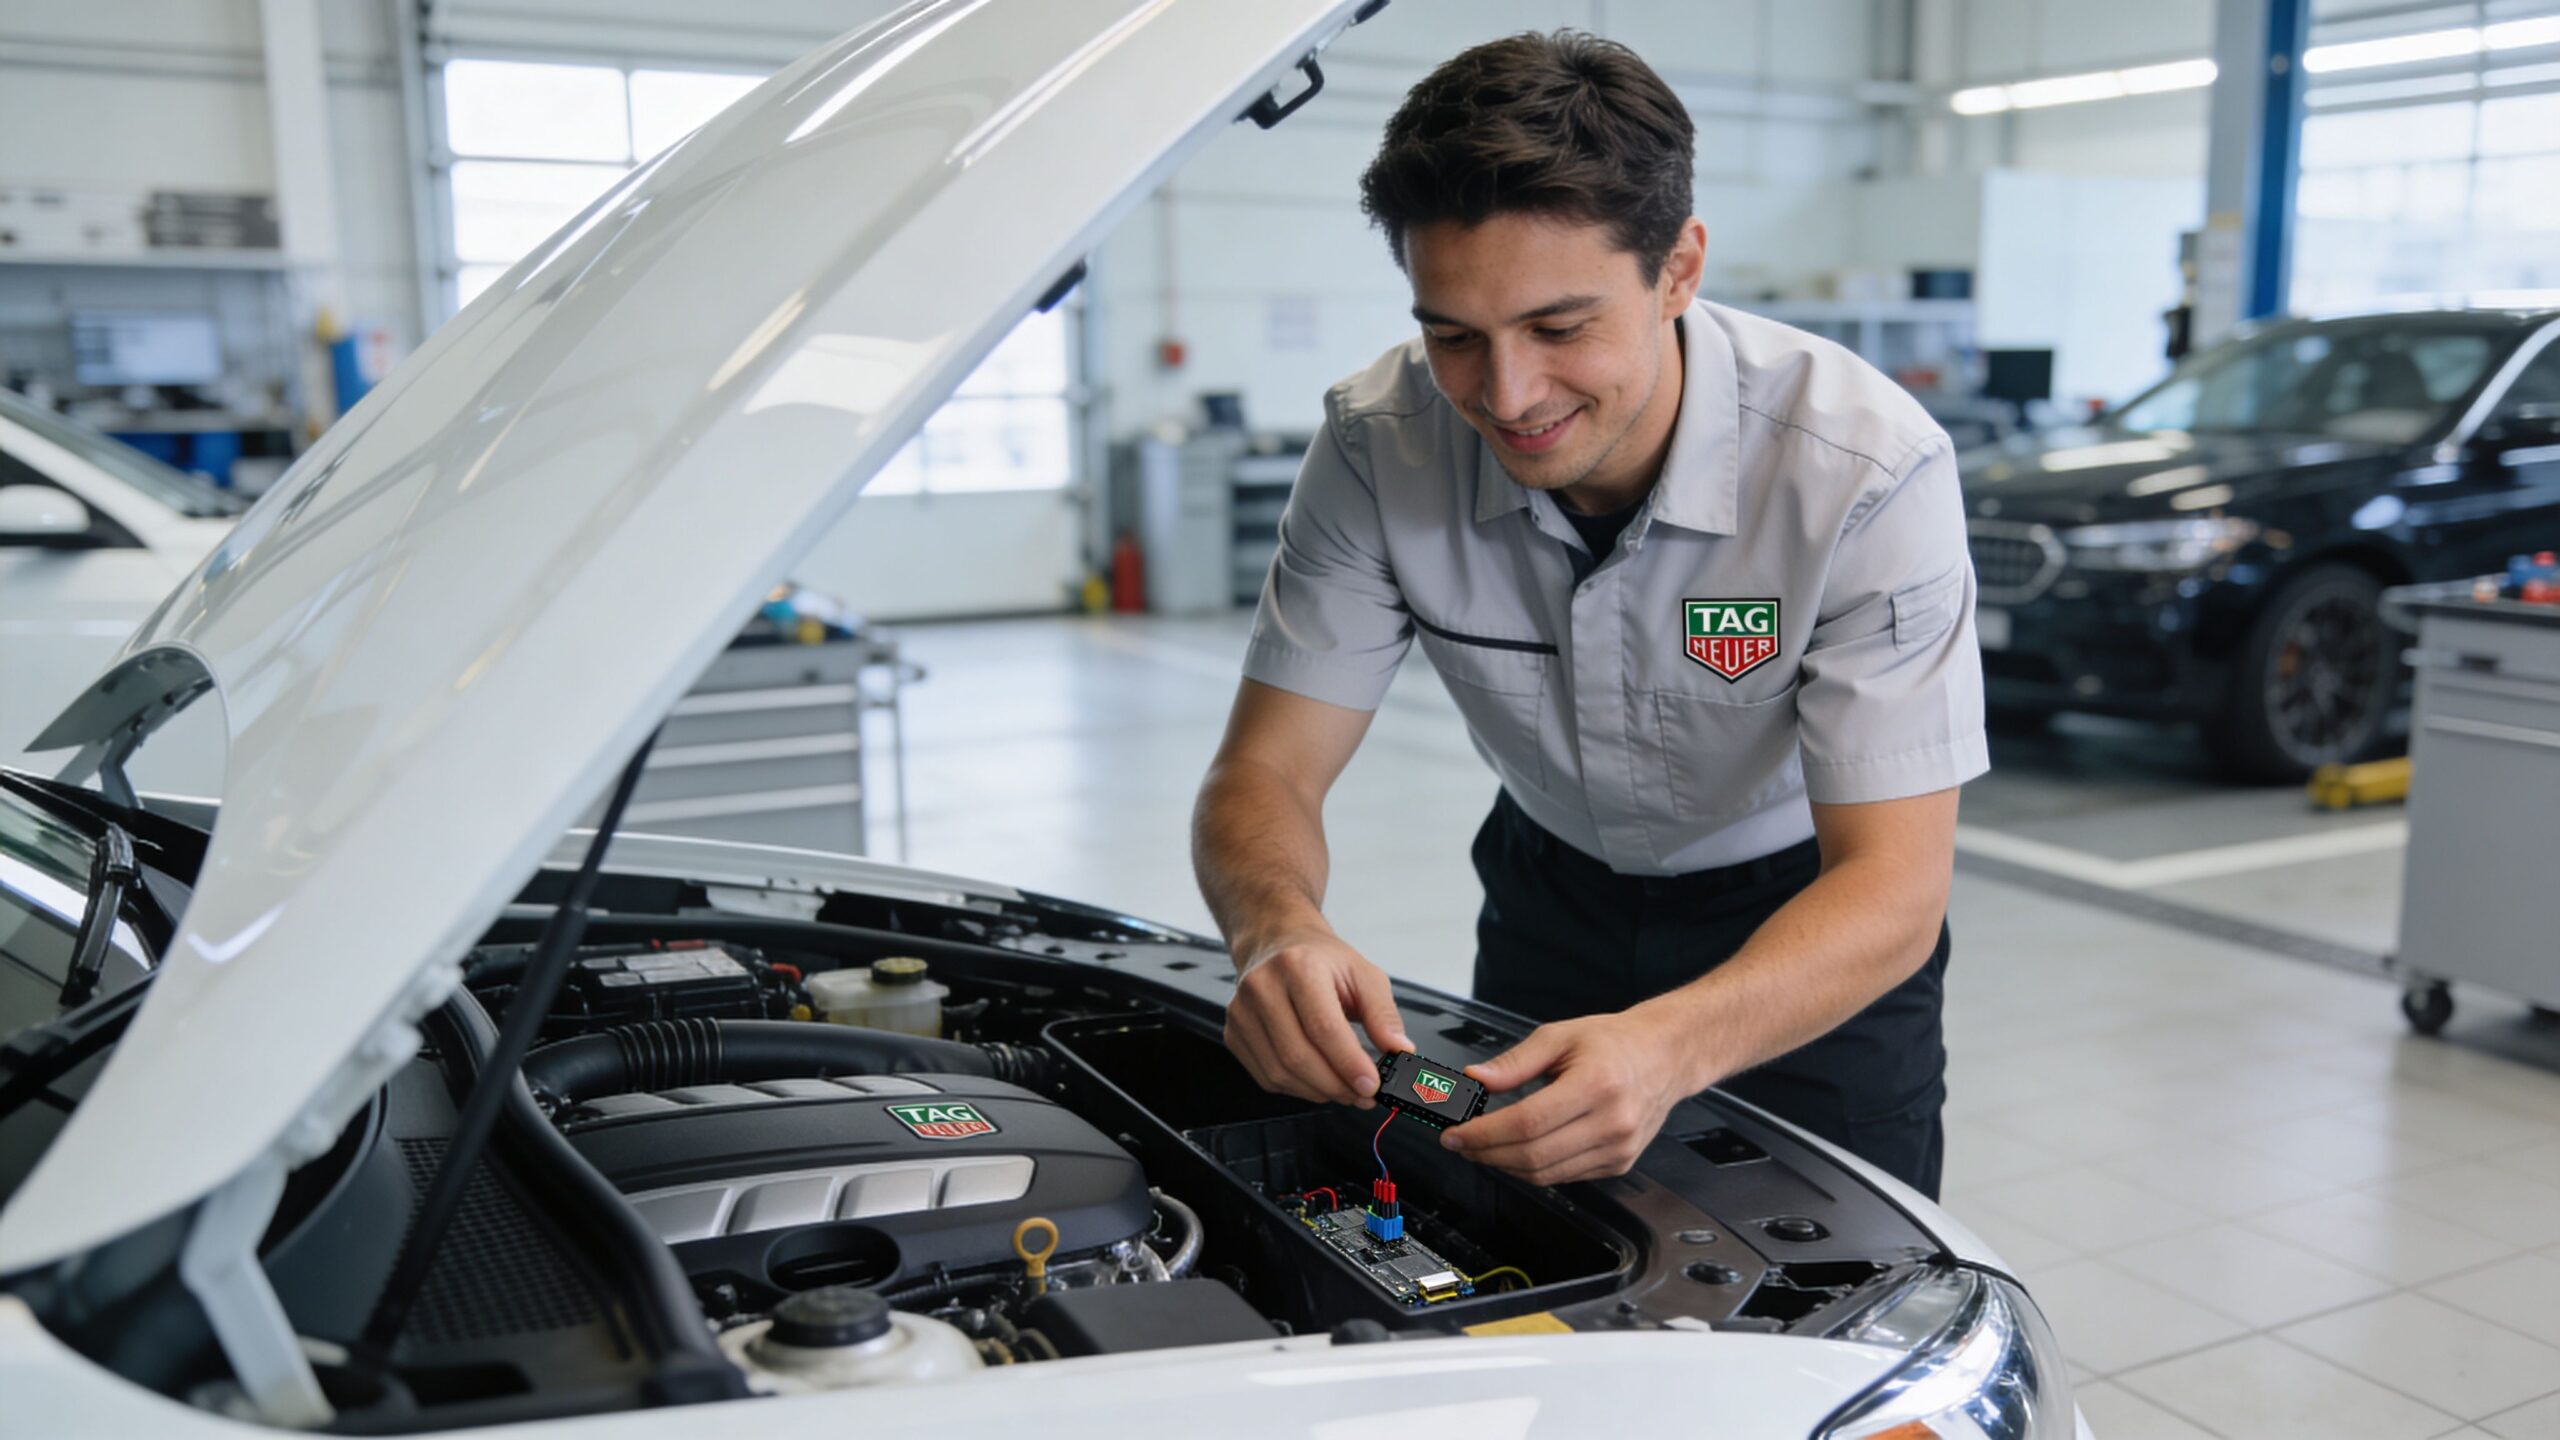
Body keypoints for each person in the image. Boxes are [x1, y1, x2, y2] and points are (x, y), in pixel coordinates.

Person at [1190, 31, 1985, 1199]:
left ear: (1677, 269)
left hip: (1810, 926)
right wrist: (1275, 931)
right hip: (1549, 896)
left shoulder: (1859, 468)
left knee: (1829, 1320)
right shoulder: (1377, 446)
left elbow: (1897, 886)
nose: (1505, 397)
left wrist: (1669, 1044)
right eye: (1452, 334)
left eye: (1559, 328)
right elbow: (1263, 775)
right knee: (1544, 1265)